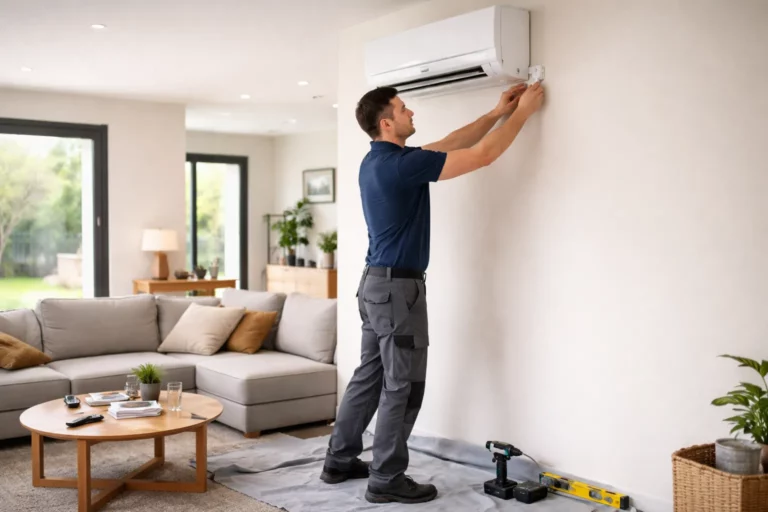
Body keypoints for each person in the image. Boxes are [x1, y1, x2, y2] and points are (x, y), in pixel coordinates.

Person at [319, 81, 545, 504]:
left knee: (369, 377)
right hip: (398, 291)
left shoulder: (380, 161)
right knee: (402, 386)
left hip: (375, 287)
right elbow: (483, 155)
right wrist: (524, 113)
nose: (411, 113)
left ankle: (339, 460)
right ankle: (386, 479)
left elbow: (453, 142)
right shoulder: (401, 166)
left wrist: (497, 113)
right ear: (387, 122)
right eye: (403, 109)